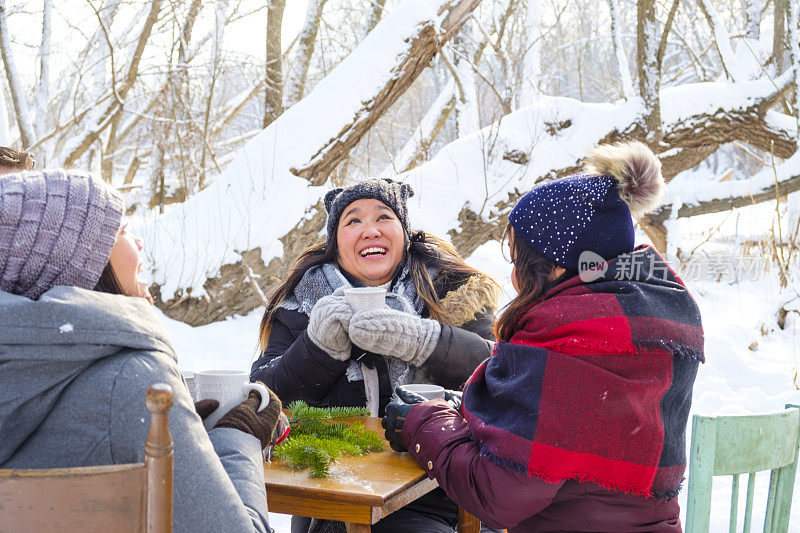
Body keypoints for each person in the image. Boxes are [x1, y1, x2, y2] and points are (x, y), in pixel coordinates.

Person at [382, 141, 705, 532]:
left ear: (553, 268)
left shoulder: (570, 338)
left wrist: (421, 422)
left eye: (520, 260)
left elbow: (498, 494)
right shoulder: (651, 320)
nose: (515, 277)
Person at [0, 169, 283, 533]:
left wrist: (184, 438)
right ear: (82, 267)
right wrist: (239, 436)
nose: (139, 243)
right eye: (120, 232)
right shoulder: (137, 385)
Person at [251, 178, 502, 533]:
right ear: (334, 244)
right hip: (340, 502)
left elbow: (498, 373)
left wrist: (421, 340)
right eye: (352, 221)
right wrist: (318, 349)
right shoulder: (301, 303)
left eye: (383, 217)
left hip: (456, 488)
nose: (370, 230)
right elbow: (262, 396)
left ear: (404, 233)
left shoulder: (452, 289)